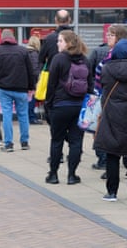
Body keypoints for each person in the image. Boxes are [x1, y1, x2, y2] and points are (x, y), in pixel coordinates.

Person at [94, 39, 127, 202]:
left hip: (112, 114)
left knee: (112, 154)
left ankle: (112, 192)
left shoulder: (106, 69)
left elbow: (98, 88)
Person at [44, 30, 93, 185]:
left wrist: (48, 105)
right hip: (79, 107)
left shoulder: (58, 59)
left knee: (57, 140)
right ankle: (72, 175)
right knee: (76, 141)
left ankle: (53, 174)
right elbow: (90, 86)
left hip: (60, 105)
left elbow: (51, 85)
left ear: (69, 43)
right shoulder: (85, 60)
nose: (57, 43)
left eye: (60, 41)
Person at [0, 29, 35, 152]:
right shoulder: (23, 51)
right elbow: (31, 71)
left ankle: (8, 144)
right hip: (21, 88)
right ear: (13, 37)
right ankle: (24, 142)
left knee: (7, 115)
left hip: (4, 88)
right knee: (23, 115)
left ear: (2, 38)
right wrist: (31, 87)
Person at [92, 24, 127, 176]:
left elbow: (99, 84)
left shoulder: (106, 63)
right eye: (108, 34)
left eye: (111, 35)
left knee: (110, 135)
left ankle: (110, 165)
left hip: (112, 103)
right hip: (122, 103)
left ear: (120, 38)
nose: (108, 37)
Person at [26, 35, 42, 125]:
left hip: (25, 79)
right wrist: (37, 80)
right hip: (32, 80)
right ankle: (31, 117)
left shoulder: (26, 52)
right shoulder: (34, 53)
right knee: (31, 100)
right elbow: (35, 69)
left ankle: (28, 117)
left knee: (27, 99)